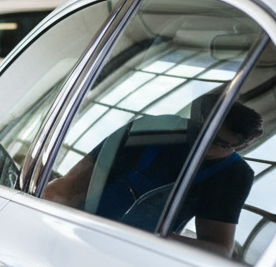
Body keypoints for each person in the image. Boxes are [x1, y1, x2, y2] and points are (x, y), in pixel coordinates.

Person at [43, 95, 262, 256]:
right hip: (75, 234)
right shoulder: (148, 130)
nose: (202, 144)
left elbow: (218, 249)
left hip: (138, 259)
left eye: (217, 143)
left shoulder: (234, 176)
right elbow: (69, 187)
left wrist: (154, 237)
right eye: (201, 132)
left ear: (242, 145)